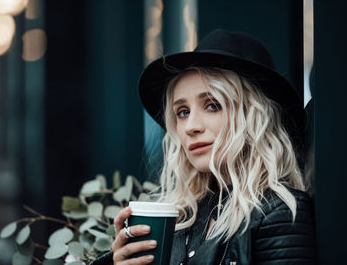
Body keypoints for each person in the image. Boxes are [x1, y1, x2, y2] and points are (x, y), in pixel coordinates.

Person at [92, 29, 316, 264]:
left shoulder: (281, 212)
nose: (191, 126)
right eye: (183, 112)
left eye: (212, 105)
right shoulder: (180, 215)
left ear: (254, 117)